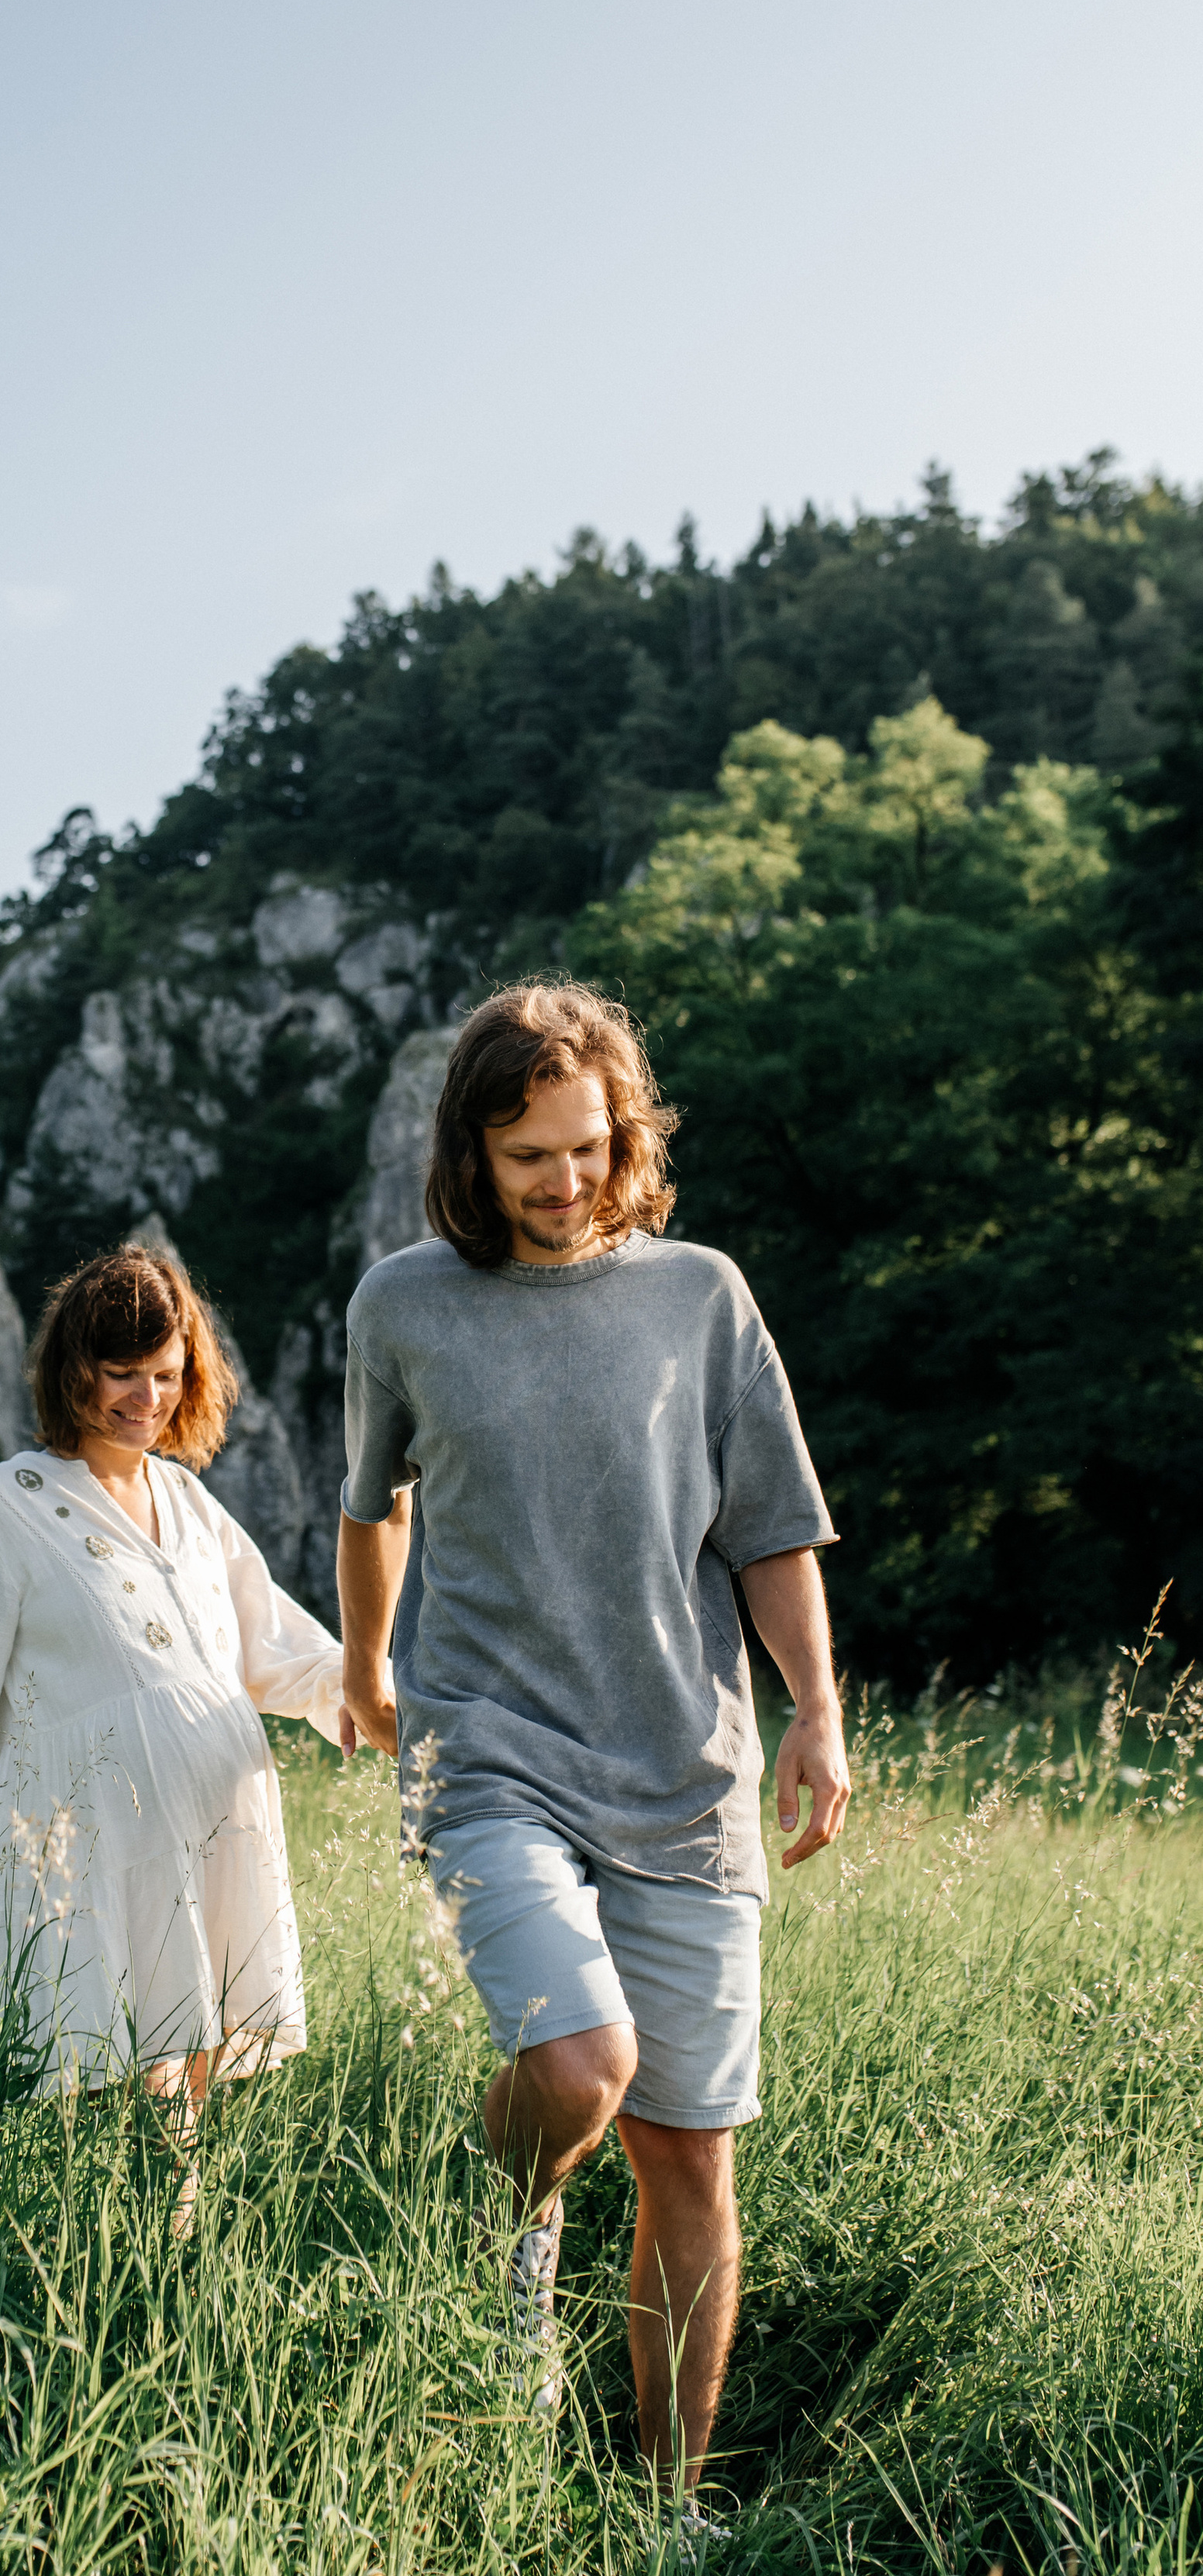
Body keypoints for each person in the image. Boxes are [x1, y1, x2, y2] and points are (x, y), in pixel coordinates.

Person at [336, 978, 849, 2492]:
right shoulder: (402, 1304)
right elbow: (373, 1505)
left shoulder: (700, 1297)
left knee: (688, 2156)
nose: (564, 1182)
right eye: (527, 1158)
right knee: (577, 2066)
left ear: (625, 1134)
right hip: (488, 1749)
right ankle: (507, 2226)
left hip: (682, 1773)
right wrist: (366, 1661)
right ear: (468, 1158)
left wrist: (814, 1710)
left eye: (586, 1147)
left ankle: (659, 2505)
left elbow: (768, 1532)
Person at [0, 1242, 347, 2119]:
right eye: (122, 1373)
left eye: (167, 1375)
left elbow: (274, 1646)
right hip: (87, 1854)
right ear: (71, 1372)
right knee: (106, 2097)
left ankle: (168, 2252)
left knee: (186, 2094)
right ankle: (98, 2254)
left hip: (213, 1845)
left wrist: (371, 1695)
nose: (147, 1400)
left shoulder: (188, 1501)